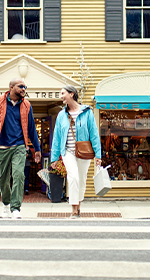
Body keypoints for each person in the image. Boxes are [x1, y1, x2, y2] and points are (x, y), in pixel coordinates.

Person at [0, 78, 41, 219]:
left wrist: (37, 149)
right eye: (21, 86)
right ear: (11, 87)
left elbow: (31, 129)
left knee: (19, 175)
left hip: (19, 146)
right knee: (2, 179)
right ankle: (6, 204)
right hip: (1, 146)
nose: (24, 89)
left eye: (25, 87)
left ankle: (15, 208)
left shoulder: (26, 105)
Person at [50, 86, 102, 218]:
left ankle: (78, 205)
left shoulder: (87, 112)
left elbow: (94, 134)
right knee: (73, 177)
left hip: (84, 152)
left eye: (63, 93)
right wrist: (54, 158)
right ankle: (73, 209)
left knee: (82, 179)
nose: (61, 96)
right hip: (68, 151)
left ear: (71, 94)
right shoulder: (61, 115)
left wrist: (98, 155)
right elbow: (57, 137)